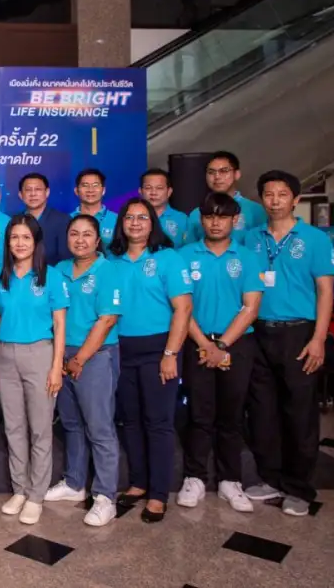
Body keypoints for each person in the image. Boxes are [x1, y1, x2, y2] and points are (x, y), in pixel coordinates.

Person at [242, 170, 334, 516]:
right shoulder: (250, 238)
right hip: (257, 332)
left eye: (282, 194)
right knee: (262, 411)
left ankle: (299, 487)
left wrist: (319, 339)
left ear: (295, 199)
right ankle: (270, 478)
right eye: (269, 194)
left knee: (299, 411)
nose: (275, 201)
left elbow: (325, 291)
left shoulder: (315, 239)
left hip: (299, 332)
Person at [176, 193, 263, 513]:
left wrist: (222, 345)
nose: (215, 223)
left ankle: (230, 480)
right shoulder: (184, 255)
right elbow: (182, 308)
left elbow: (251, 307)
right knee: (199, 414)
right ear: (201, 220)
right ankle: (194, 477)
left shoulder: (247, 257)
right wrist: (205, 344)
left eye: (222, 217)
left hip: (236, 345)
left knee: (231, 414)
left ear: (234, 220)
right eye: (210, 216)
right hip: (196, 343)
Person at [109, 198, 193, 523]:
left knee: (158, 422)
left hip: (159, 349)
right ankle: (139, 482)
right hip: (121, 350)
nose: (135, 223)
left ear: (152, 223)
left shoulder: (168, 258)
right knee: (130, 420)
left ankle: (158, 494)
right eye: (129, 217)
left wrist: (170, 354)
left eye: (142, 217)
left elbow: (183, 309)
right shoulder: (112, 260)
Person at [0, 215, 68, 525]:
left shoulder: (51, 276)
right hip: (6, 355)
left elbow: (60, 324)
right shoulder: (1, 277)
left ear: (36, 242)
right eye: (14, 238)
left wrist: (57, 367)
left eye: (26, 237)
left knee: (40, 428)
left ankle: (36, 495)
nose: (19, 243)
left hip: (40, 354)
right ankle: (19, 489)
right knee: (14, 427)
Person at [48, 215, 122, 526]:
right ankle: (74, 482)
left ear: (97, 239)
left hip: (95, 357)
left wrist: (80, 358)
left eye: (87, 234)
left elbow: (107, 319)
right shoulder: (58, 270)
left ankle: (105, 496)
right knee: (71, 423)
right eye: (74, 234)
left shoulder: (108, 270)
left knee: (99, 427)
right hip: (61, 355)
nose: (80, 240)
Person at [185, 151, 267, 243]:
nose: (217, 177)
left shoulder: (255, 211)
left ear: (237, 174)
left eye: (223, 171)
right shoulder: (197, 213)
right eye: (211, 172)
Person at [18, 172, 71, 266]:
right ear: (20, 195)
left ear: (47, 192)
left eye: (38, 189)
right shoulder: (15, 221)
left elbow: (66, 260)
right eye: (28, 190)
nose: (33, 194)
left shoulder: (63, 221)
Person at [139, 168, 188, 248]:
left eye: (159, 188)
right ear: (140, 191)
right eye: (148, 188)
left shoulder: (182, 219)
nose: (153, 193)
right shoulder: (132, 219)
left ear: (169, 192)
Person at [70, 168, 118, 248]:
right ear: (76, 191)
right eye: (85, 185)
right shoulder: (67, 219)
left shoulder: (117, 219)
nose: (90, 190)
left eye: (95, 185)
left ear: (103, 190)